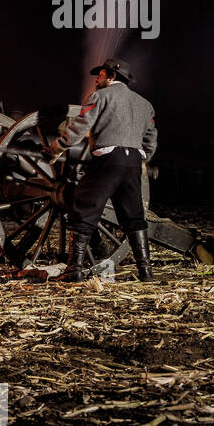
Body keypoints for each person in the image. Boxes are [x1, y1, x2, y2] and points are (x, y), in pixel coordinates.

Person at [50, 58, 158, 282]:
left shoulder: (99, 96)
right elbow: (151, 138)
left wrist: (57, 147)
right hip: (132, 164)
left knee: (84, 209)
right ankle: (145, 272)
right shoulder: (145, 104)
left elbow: (80, 127)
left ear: (112, 76)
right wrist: (143, 157)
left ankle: (74, 270)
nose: (96, 80)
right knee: (133, 216)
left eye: (99, 75)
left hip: (107, 160)